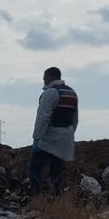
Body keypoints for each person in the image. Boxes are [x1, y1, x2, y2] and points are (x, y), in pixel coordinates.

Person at [29, 67, 78, 195]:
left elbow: (43, 117)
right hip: (65, 139)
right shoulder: (71, 93)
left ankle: (37, 198)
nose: (43, 80)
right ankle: (56, 198)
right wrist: (70, 135)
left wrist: (37, 138)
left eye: (44, 78)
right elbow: (75, 119)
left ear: (50, 77)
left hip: (49, 138)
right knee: (56, 172)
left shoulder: (50, 93)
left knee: (34, 169)